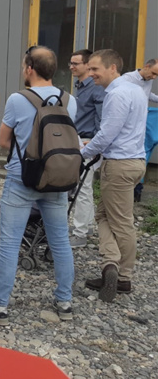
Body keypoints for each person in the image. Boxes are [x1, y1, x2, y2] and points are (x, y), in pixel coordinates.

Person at [0, 46, 76, 325]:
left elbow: (4, 141)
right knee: (61, 241)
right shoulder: (70, 100)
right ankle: (64, 302)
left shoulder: (19, 99)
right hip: (58, 179)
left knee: (9, 243)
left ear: (30, 69)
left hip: (23, 177)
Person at [81, 49, 147, 302]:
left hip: (119, 164)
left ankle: (122, 276)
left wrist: (83, 153)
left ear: (112, 68)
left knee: (121, 221)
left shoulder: (117, 94)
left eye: (95, 69)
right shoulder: (134, 90)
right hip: (133, 161)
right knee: (104, 215)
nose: (92, 74)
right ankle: (111, 264)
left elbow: (108, 133)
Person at [68, 49, 105, 247]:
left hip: (88, 142)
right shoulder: (80, 86)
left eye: (76, 63)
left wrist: (96, 141)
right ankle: (86, 226)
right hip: (79, 139)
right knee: (83, 187)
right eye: (70, 63)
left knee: (81, 187)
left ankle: (80, 233)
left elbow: (102, 115)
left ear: (87, 65)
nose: (72, 67)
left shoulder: (95, 88)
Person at [121, 58, 158, 202]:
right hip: (129, 124)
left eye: (156, 76)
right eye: (153, 73)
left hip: (141, 123)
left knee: (141, 154)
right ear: (147, 66)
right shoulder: (127, 79)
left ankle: (137, 191)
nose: (154, 77)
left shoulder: (149, 79)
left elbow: (147, 95)